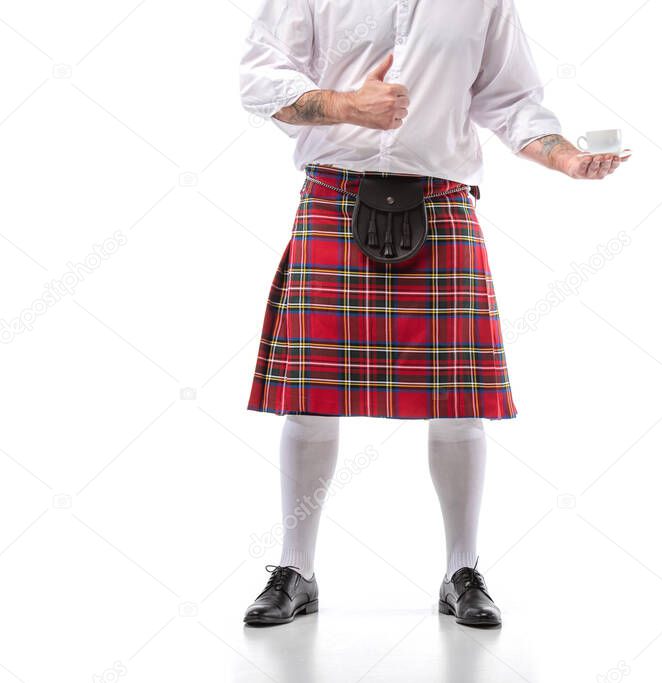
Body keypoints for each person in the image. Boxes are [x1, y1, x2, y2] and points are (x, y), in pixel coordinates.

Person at [237, 0, 628, 628]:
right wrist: (344, 106)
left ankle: (461, 571)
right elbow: (261, 79)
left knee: (459, 401)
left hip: (439, 199)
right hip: (334, 192)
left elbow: (512, 98)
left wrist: (566, 158)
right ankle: (296, 571)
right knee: (309, 398)